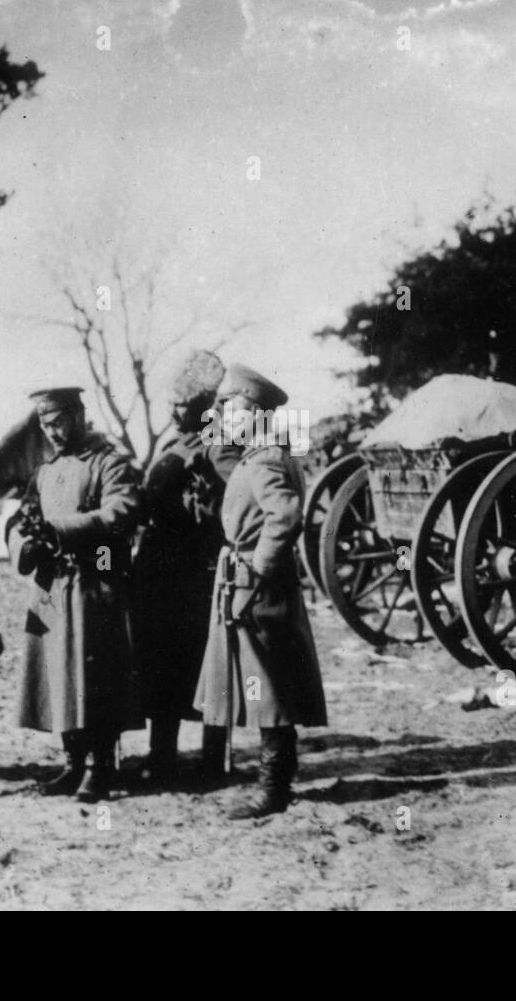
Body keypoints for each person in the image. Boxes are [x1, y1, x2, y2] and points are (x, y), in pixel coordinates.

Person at [193, 364, 327, 819]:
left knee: (269, 686)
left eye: (230, 411)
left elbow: (286, 517)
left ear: (252, 414)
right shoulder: (262, 454)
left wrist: (259, 565)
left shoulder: (266, 458)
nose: (224, 420)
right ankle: (276, 783)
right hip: (253, 583)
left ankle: (273, 789)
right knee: (271, 682)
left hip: (256, 586)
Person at [6, 387, 143, 803]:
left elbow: (121, 511)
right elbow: (20, 519)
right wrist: (22, 545)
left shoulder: (108, 462)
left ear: (80, 416)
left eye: (59, 421)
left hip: (93, 585)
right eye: (45, 425)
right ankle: (72, 763)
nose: (53, 431)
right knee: (60, 677)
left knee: (95, 677)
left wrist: (61, 529)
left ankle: (101, 767)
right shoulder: (46, 471)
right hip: (53, 587)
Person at [132, 351, 241, 787]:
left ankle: (212, 762)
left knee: (205, 662)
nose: (175, 412)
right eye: (173, 404)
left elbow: (236, 503)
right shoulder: (167, 443)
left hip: (197, 570)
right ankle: (162, 758)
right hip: (157, 569)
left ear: (204, 408)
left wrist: (207, 504)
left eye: (184, 406)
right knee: (160, 664)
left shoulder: (219, 445)